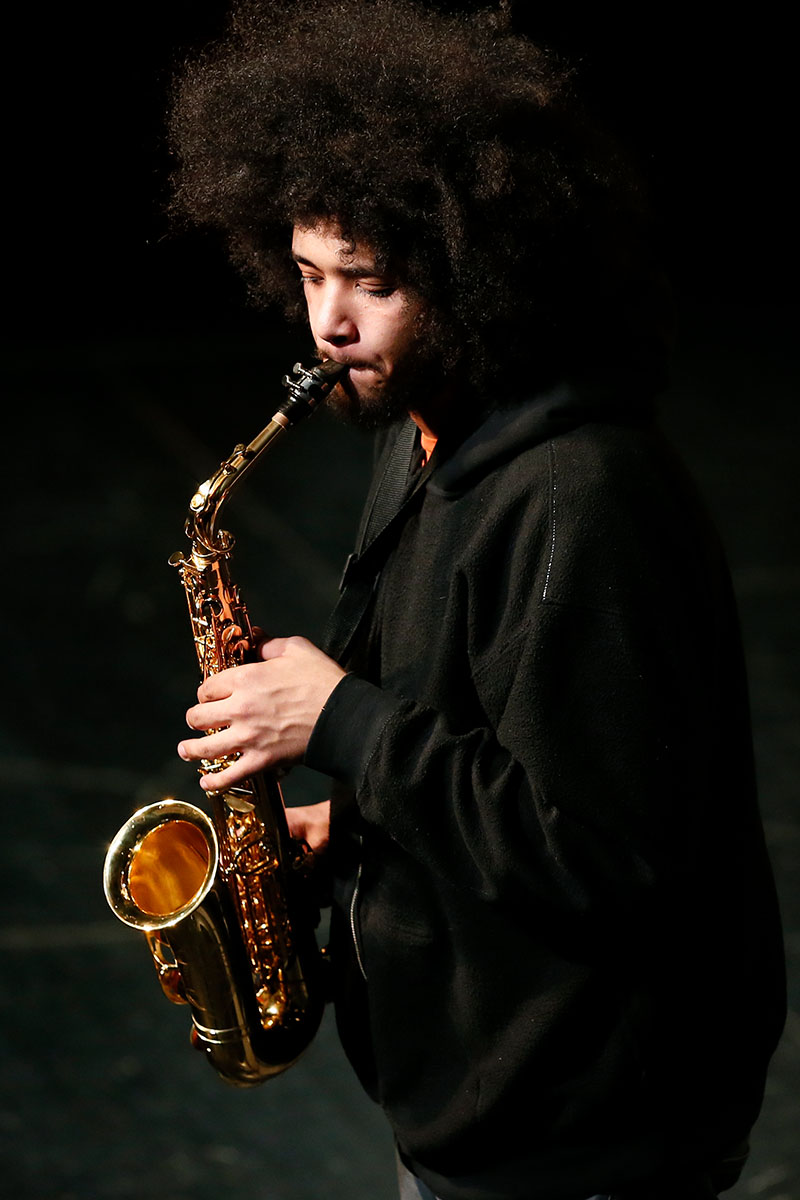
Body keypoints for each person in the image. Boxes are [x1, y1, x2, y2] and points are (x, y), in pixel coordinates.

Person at [168, 2, 786, 1197]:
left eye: (369, 280)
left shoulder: (580, 499)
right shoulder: (428, 433)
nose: (327, 325)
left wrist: (341, 725)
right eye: (306, 273)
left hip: (587, 1130)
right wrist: (349, 831)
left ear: (473, 271)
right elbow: (479, 738)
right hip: (491, 1099)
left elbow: (610, 858)